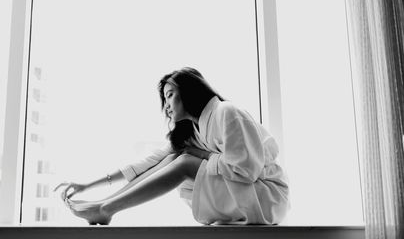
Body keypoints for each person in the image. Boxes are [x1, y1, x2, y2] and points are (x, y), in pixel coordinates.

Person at [54, 67, 289, 225]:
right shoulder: (194, 131)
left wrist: (200, 154)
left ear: (188, 93)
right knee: (172, 158)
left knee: (185, 161)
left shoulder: (226, 113)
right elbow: (146, 165)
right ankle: (103, 206)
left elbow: (247, 170)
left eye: (169, 95)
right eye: (164, 99)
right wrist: (89, 185)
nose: (166, 105)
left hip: (266, 196)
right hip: (242, 194)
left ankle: (106, 209)